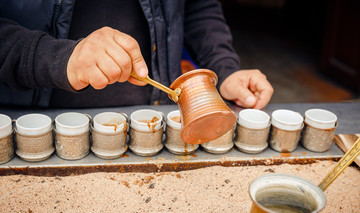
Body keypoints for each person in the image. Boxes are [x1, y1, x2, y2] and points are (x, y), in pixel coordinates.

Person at [0, 0, 273, 109]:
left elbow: (197, 6)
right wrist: (56, 58)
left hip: (154, 113)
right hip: (31, 122)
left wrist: (224, 67)